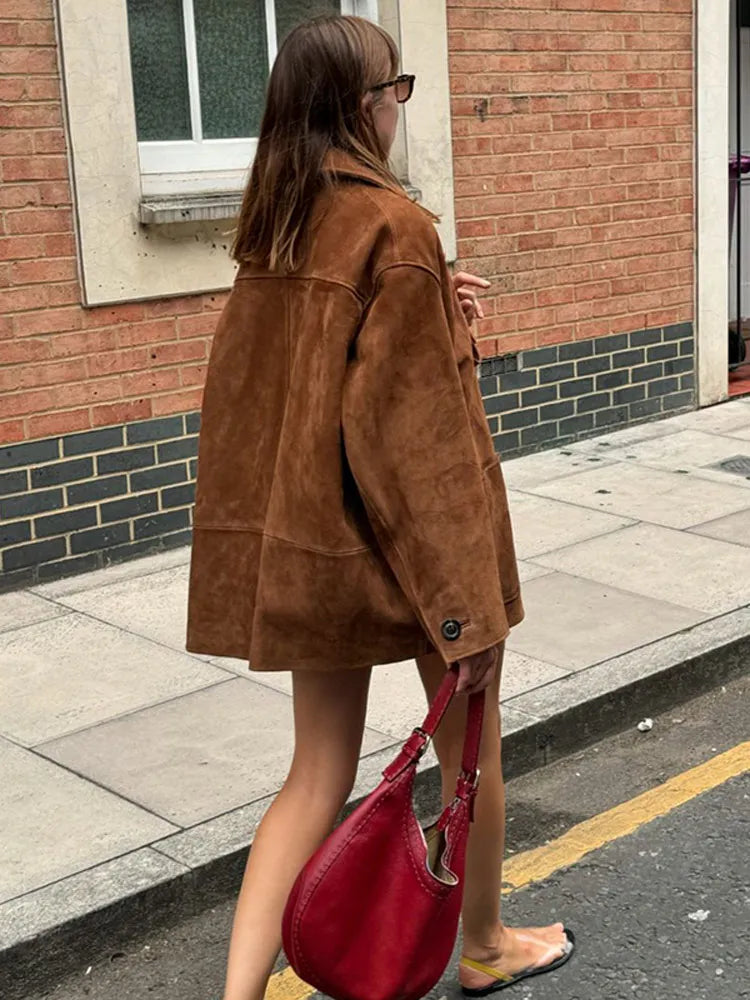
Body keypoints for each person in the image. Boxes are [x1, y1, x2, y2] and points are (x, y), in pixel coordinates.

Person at [186, 14, 574, 1000]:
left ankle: (234, 997)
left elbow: (290, 387)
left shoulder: (277, 220)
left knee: (314, 772)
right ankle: (482, 940)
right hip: (402, 554)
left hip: (314, 548)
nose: (403, 106)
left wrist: (440, 310)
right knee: (468, 749)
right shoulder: (394, 227)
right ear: (362, 107)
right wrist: (462, 613)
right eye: (396, 89)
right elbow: (415, 447)